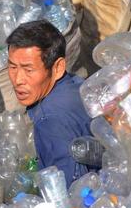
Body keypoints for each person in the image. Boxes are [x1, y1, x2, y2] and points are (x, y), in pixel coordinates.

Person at [6, 20, 92, 187]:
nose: (18, 80)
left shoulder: (50, 121)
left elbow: (70, 190)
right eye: (12, 67)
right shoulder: (76, 85)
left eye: (28, 69)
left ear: (58, 67)